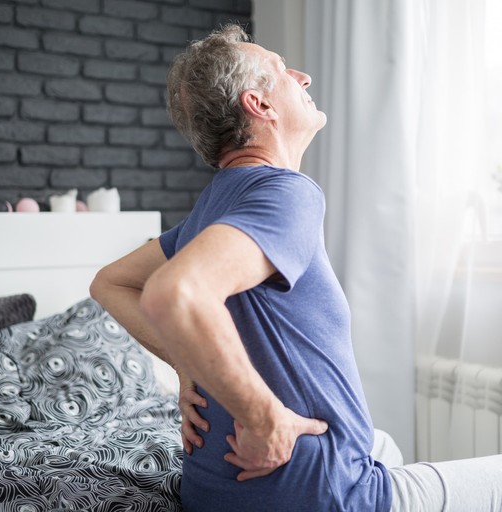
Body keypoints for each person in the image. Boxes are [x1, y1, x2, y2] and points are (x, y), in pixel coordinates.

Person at [91, 24, 502, 512]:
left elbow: (108, 282)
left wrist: (189, 363)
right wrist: (265, 419)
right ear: (259, 106)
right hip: (324, 495)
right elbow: (175, 294)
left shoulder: (213, 206)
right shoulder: (286, 192)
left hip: (221, 496)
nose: (303, 77)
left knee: (383, 443)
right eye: (282, 71)